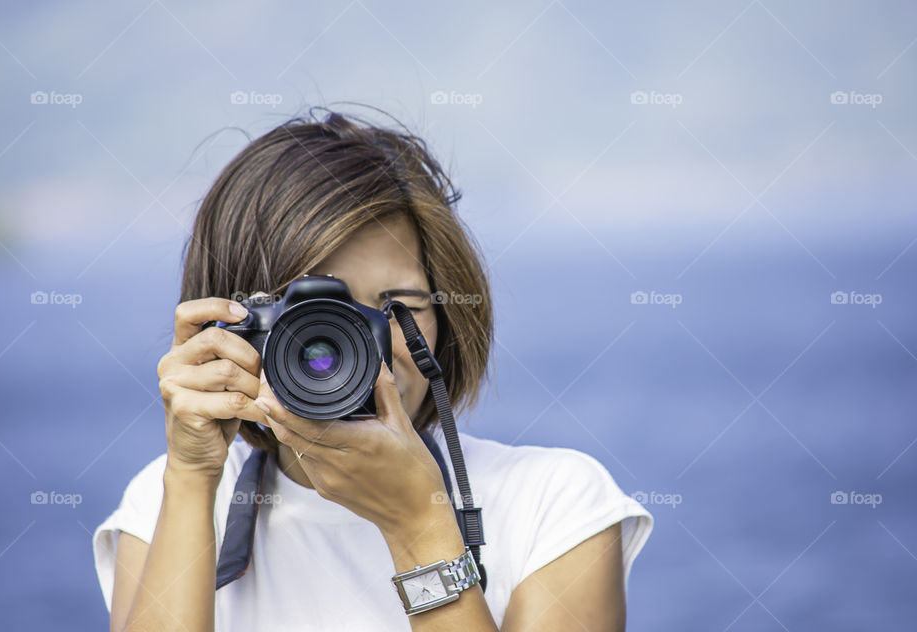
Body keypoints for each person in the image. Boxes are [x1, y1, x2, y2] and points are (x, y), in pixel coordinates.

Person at [92, 106, 653, 631]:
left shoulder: (554, 506)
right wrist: (190, 480)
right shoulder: (165, 504)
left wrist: (419, 525)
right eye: (313, 316)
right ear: (229, 329)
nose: (354, 346)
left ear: (448, 317)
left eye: (395, 308)